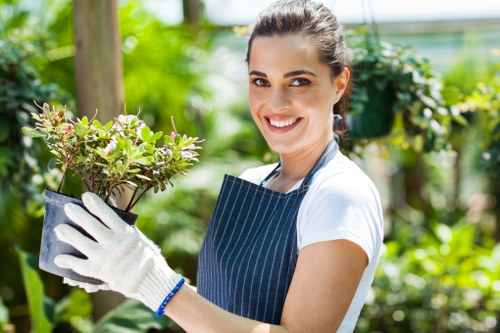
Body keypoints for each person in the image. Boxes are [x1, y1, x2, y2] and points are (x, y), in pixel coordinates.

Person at [54, 0, 384, 332]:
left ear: (339, 83)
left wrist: (152, 280)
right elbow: (222, 313)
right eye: (260, 81)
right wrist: (129, 272)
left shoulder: (340, 194)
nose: (276, 102)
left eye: (298, 82)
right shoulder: (253, 181)